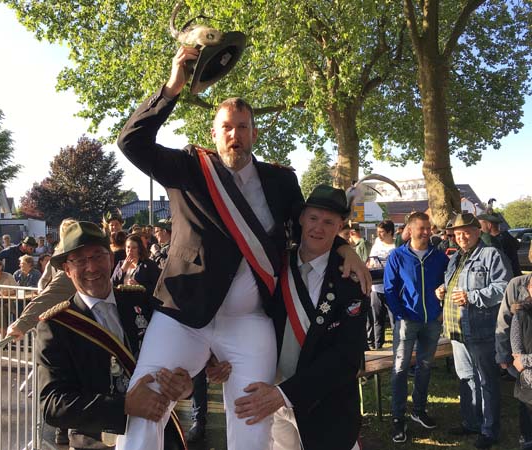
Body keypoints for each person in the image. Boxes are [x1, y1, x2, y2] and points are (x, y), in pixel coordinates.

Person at [115, 45, 371, 450]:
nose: (234, 135)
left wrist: (344, 248)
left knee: (253, 417)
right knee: (148, 400)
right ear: (213, 134)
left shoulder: (281, 181)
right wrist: (172, 87)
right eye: (226, 128)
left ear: (254, 133)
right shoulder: (189, 168)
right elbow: (131, 142)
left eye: (242, 127)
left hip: (249, 321)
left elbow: (307, 228)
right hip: (182, 315)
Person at [234, 185, 368, 450]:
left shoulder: (351, 280)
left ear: (340, 226)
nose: (319, 227)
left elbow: (347, 357)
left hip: (325, 406)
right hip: (271, 397)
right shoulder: (274, 265)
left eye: (328, 222)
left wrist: (284, 394)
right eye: (313, 218)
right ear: (302, 218)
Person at [36, 221, 191, 450]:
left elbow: (177, 353)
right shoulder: (56, 326)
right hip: (99, 443)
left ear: (110, 259)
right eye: (80, 260)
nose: (91, 267)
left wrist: (185, 386)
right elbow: (53, 405)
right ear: (67, 270)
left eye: (98, 256)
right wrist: (124, 406)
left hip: (159, 435)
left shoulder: (142, 301)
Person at [436, 213, 512, 449]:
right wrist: (442, 290)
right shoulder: (456, 257)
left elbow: (503, 287)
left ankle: (489, 431)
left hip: (481, 329)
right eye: (457, 233)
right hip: (457, 329)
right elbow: (454, 285)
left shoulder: (491, 255)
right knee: (466, 377)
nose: (461, 237)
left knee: (486, 380)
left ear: (478, 231)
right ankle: (471, 422)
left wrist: (472, 296)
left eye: (466, 232)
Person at [383, 212, 448, 443]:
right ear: (410, 230)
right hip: (407, 321)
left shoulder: (438, 256)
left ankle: (418, 410)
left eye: (428, 228)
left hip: (432, 321)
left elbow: (449, 282)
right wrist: (400, 315)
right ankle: (398, 418)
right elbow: (389, 288)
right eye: (422, 228)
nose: (427, 232)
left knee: (425, 366)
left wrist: (440, 308)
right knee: (400, 369)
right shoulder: (397, 256)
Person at [495, 247, 532, 449]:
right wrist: (504, 355)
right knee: (526, 401)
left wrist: (524, 360)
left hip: (525, 360)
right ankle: (527, 437)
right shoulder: (517, 284)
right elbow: (505, 322)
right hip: (523, 363)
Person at [366, 219, 397, 349]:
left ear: (390, 232)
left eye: (382, 232)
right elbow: (370, 262)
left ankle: (397, 346)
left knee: (394, 320)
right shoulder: (377, 244)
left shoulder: (395, 247)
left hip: (391, 288)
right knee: (377, 319)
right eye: (378, 232)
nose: (379, 234)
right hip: (376, 288)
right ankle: (378, 346)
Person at [509, 278, 532, 450]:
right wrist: (522, 361)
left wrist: (525, 360)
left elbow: (520, 360)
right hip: (528, 381)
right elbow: (516, 353)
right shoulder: (521, 314)